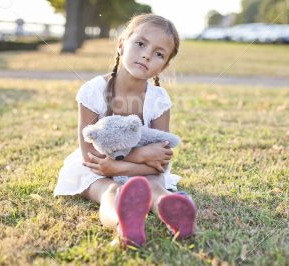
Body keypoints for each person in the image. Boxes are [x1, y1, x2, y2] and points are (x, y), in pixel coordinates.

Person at [53, 14, 197, 247]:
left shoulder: (158, 100)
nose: (147, 55)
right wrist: (138, 156)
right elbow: (91, 156)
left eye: (159, 53)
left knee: (154, 184)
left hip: (142, 171)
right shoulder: (93, 91)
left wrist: (122, 166)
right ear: (121, 45)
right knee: (109, 190)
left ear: (164, 65)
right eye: (140, 44)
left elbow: (161, 161)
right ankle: (124, 226)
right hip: (97, 170)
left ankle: (173, 211)